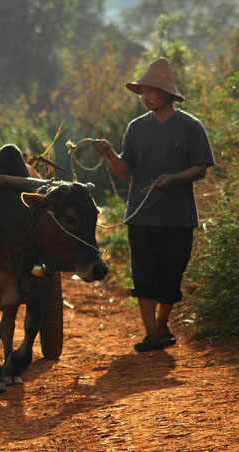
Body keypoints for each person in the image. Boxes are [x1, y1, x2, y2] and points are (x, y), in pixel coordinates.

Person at [92, 57, 215, 352]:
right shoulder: (136, 128)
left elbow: (200, 168)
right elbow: (128, 170)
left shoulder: (190, 126)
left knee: (171, 275)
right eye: (142, 92)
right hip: (141, 214)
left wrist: (173, 178)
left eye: (151, 91)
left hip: (178, 217)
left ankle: (162, 325)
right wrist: (109, 153)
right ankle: (151, 333)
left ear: (167, 94)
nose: (145, 97)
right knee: (144, 274)